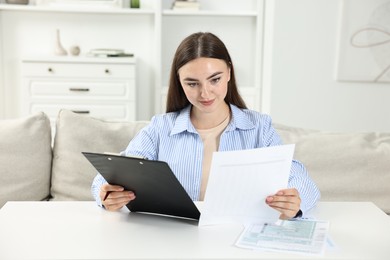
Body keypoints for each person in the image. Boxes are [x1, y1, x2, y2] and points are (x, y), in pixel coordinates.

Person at [91, 32, 320, 219]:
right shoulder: (161, 128)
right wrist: (105, 194)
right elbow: (117, 170)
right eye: (192, 83)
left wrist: (295, 202)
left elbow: (300, 178)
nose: (205, 93)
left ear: (229, 73)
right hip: (173, 238)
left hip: (235, 236)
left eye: (215, 79)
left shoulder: (259, 127)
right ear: (180, 83)